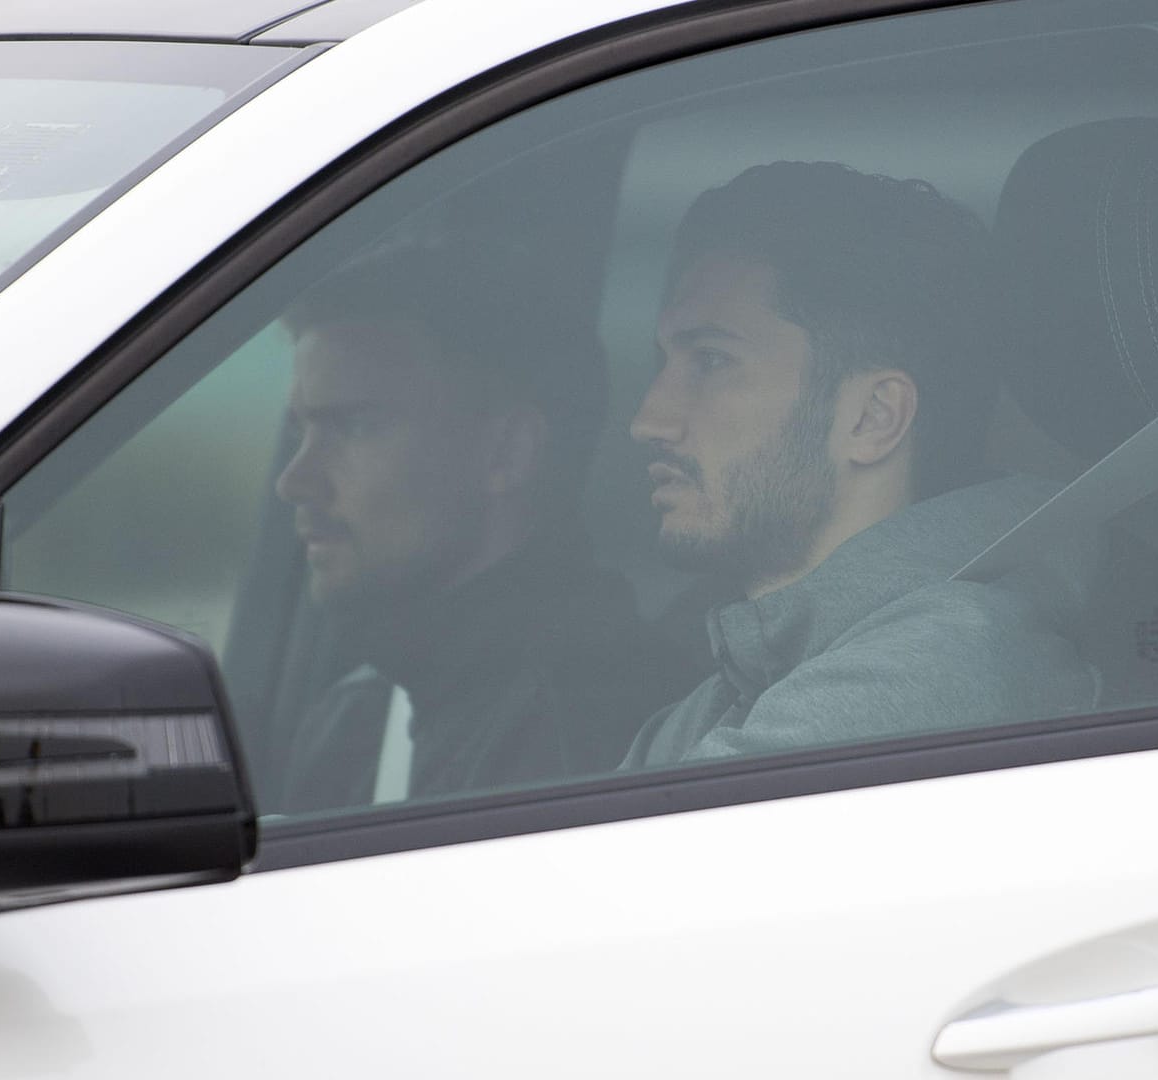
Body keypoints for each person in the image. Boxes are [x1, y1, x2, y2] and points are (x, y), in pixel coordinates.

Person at [624, 161, 1097, 766]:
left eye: (712, 361)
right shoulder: (730, 692)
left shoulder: (937, 670)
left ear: (873, 418)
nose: (649, 421)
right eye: (662, 362)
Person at [271, 244, 687, 813]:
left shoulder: (590, 732)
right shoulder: (362, 711)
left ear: (507, 451)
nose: (295, 481)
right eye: (302, 432)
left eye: (356, 427)